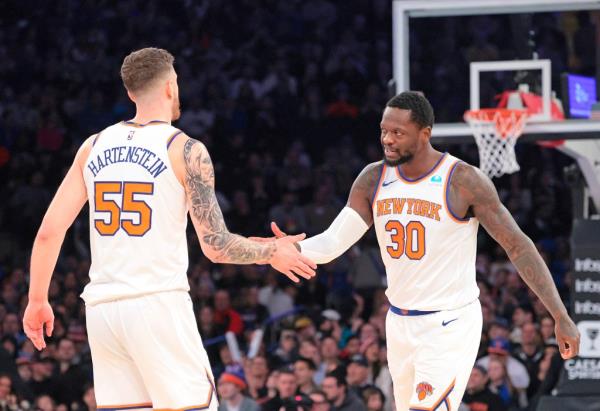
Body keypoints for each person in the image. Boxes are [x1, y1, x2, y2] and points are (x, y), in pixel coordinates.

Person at [22, 47, 316, 411]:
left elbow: (49, 231)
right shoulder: (184, 149)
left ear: (130, 92)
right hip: (157, 305)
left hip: (102, 311)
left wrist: (37, 300)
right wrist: (272, 251)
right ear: (170, 87)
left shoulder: (92, 147)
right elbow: (215, 246)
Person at [263, 91, 580, 410]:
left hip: (450, 323)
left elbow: (518, 245)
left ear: (425, 133)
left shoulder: (462, 180)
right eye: (384, 130)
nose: (387, 139)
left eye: (398, 132)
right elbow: (333, 242)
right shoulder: (373, 179)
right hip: (399, 322)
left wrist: (559, 314)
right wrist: (289, 249)